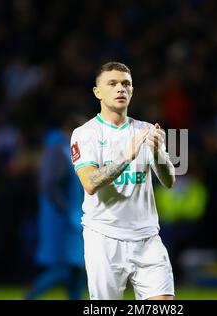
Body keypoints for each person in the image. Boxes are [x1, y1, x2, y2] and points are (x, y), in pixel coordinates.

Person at [70, 61, 176, 300]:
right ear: (97, 92)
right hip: (105, 237)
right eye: (112, 83)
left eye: (126, 84)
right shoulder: (85, 134)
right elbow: (90, 182)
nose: (120, 89)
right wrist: (126, 156)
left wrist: (159, 153)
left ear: (132, 91)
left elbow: (169, 181)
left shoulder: (147, 130)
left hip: (147, 237)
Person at [25, 115, 86, 300]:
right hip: (63, 221)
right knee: (64, 269)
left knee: (77, 270)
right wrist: (66, 211)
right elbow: (49, 185)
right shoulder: (59, 151)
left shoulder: (70, 151)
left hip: (74, 218)